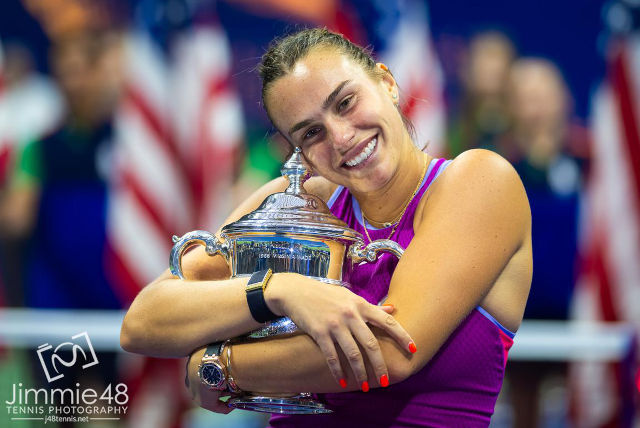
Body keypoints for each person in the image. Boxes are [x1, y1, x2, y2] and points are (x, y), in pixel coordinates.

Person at [121, 28, 532, 427]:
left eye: (346, 103)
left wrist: (218, 365)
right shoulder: (297, 199)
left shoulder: (480, 180)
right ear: (300, 153)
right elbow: (142, 323)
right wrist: (278, 291)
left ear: (386, 83)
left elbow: (389, 353)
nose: (340, 137)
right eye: (311, 133)